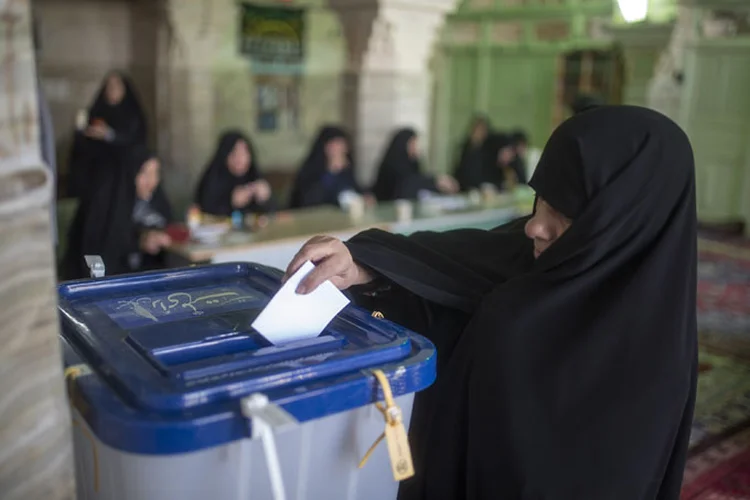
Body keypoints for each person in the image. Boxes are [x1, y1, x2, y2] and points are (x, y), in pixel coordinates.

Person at [285, 106, 697, 499]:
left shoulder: (649, 364)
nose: (535, 225)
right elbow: (442, 264)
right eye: (541, 199)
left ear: (623, 225)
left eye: (567, 214)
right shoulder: (524, 251)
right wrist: (363, 265)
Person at [63, 146, 173, 280]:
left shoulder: (154, 200)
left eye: (155, 173)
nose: (152, 181)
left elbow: (165, 224)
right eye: (144, 173)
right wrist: (139, 242)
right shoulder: (107, 201)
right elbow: (99, 249)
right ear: (129, 174)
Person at [67, 71, 147, 198]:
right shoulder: (97, 110)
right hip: (96, 175)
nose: (112, 90)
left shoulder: (132, 114)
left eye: (116, 85)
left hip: (122, 175)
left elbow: (134, 140)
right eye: (109, 86)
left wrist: (109, 135)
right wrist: (85, 133)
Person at [289, 126, 371, 209]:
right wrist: (331, 172)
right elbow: (308, 201)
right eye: (334, 146)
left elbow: (353, 191)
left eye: (341, 146)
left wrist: (365, 197)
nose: (338, 151)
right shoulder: (311, 169)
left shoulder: (347, 170)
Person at [195, 131, 274, 217]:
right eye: (234, 153)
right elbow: (204, 212)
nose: (240, 158)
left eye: (244, 153)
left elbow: (273, 214)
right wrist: (231, 203)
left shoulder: (254, 175)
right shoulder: (213, 179)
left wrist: (265, 199)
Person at [372, 128, 458, 201]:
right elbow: (407, 182)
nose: (416, 147)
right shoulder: (392, 163)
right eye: (412, 143)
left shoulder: (412, 161)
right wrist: (435, 181)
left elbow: (419, 178)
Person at [454, 116, 491, 191]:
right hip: (463, 188)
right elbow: (460, 171)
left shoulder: (487, 150)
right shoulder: (464, 148)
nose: (479, 133)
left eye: (482, 130)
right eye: (477, 129)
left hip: (482, 189)